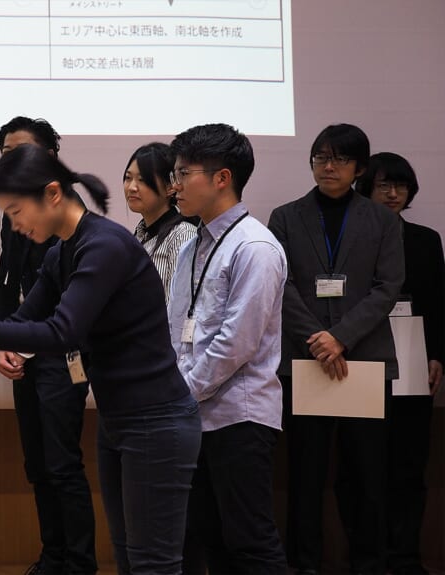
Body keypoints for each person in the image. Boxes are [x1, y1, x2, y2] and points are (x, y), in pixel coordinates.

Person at [0, 144, 202, 575]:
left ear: (53, 194)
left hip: (156, 421)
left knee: (153, 564)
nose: (16, 225)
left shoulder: (104, 246)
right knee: (130, 557)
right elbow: (25, 318)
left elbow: (63, 332)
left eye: (17, 211)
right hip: (120, 420)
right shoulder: (64, 250)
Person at [268, 124, 404, 575]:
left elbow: (388, 287)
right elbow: (281, 285)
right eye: (321, 158)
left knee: (367, 473)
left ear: (359, 168)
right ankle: (303, 563)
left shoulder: (382, 220)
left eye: (340, 159)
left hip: (364, 361)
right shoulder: (285, 217)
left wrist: (341, 336)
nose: (329, 166)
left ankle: (369, 563)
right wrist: (319, 340)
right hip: (305, 361)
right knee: (304, 473)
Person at [165, 124, 288, 574]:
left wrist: (181, 393)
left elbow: (238, 342)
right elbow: (176, 331)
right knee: (208, 538)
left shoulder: (254, 246)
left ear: (222, 178)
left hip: (240, 416)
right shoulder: (191, 248)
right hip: (195, 416)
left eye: (183, 173)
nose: (174, 185)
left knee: (250, 542)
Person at [0, 117, 96, 575]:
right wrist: (2, 339)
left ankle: (79, 563)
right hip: (21, 348)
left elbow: (70, 293)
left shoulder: (67, 212)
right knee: (36, 461)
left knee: (62, 462)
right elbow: (6, 278)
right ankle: (52, 557)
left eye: (22, 151)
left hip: (60, 351)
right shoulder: (10, 211)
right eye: (5, 153)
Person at [357, 152, 443, 575]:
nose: (393, 194)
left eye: (401, 186)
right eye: (383, 185)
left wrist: (437, 354)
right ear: (366, 189)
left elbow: (438, 301)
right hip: (361, 360)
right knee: (364, 466)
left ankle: (406, 557)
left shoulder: (425, 240)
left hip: (413, 356)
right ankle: (368, 557)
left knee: (409, 463)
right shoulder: (353, 238)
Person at [122, 142, 197, 302]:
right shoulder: (139, 235)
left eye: (142, 180)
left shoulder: (183, 236)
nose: (132, 187)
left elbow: (180, 307)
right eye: (128, 178)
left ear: (170, 187)